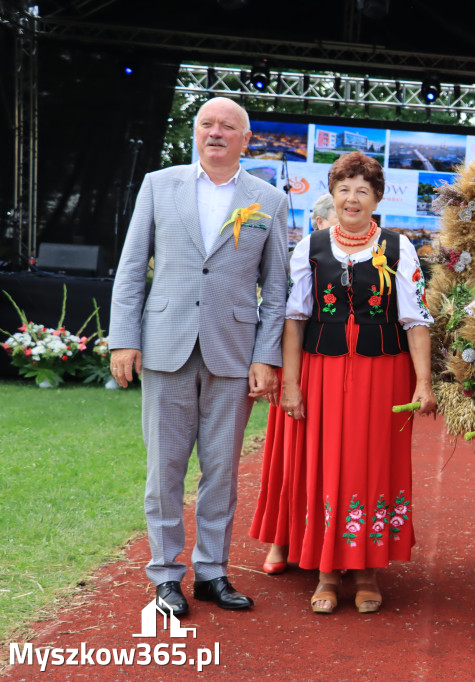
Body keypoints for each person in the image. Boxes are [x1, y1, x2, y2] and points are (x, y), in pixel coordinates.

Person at [108, 97, 288, 617]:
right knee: (164, 469)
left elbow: (274, 291)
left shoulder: (268, 200)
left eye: (228, 126)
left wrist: (266, 356)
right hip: (165, 346)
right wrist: (124, 338)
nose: (216, 133)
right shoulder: (159, 186)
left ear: (245, 139)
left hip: (232, 354)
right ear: (195, 133)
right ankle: (166, 575)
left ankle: (212, 572)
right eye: (206, 124)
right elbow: (130, 266)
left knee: (222, 470)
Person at [252, 150, 436, 615]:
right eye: (343, 190)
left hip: (384, 375)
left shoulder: (400, 247)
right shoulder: (309, 247)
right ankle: (328, 572)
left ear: (377, 198)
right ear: (331, 195)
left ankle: (368, 570)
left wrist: (423, 383)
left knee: (372, 462)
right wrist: (290, 384)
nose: (352, 199)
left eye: (362, 191)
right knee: (325, 463)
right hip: (322, 372)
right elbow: (294, 320)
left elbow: (415, 320)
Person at [250, 194, 337, 576]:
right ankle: (281, 539)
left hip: (338, 370)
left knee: (335, 462)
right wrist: (280, 373)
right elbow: (281, 312)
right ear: (317, 222)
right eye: (332, 219)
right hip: (298, 367)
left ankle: (335, 543)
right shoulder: (303, 252)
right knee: (290, 458)